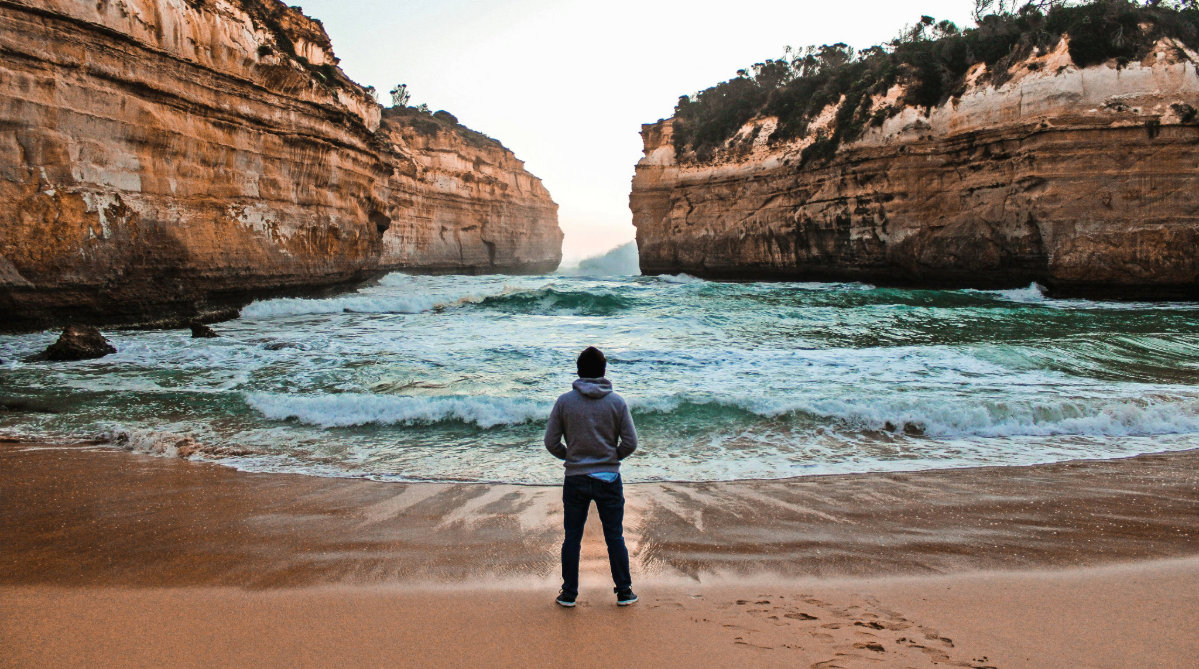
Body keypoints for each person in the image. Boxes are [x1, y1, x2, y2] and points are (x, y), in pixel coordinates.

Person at [544, 346, 638, 607]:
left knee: (572, 536)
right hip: (608, 478)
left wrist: (571, 456)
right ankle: (624, 591)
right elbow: (630, 442)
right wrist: (610, 457)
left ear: (578, 371)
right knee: (614, 536)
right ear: (604, 371)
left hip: (575, 479)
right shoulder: (616, 402)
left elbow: (550, 442)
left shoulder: (565, 402)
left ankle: (569, 593)